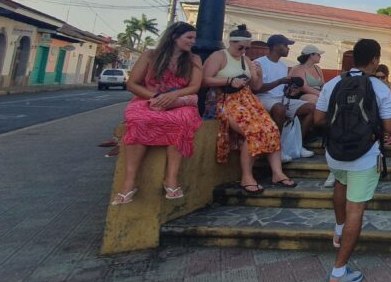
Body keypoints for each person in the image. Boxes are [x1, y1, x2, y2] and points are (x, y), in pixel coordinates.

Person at [314, 38, 391, 282]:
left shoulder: (333, 83)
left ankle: (338, 230)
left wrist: (341, 132)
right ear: (375, 60)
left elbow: (318, 119)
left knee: (340, 182)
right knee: (356, 210)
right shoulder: (379, 88)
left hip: (335, 153)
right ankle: (338, 273)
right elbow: (389, 127)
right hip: (364, 155)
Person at [112, 21, 203, 205]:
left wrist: (173, 95)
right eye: (189, 37)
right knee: (139, 120)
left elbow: (194, 86)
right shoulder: (150, 56)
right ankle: (129, 182)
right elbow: (132, 84)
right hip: (149, 99)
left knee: (182, 121)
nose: (193, 41)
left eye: (194, 38)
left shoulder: (194, 60)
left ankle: (171, 179)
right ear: (174, 37)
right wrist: (156, 97)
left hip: (179, 102)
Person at [201, 25, 296, 193]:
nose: (244, 51)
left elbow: (257, 86)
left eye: (247, 48)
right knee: (253, 130)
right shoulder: (219, 56)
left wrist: (257, 74)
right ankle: (247, 176)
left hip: (247, 100)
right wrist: (228, 81)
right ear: (231, 42)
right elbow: (205, 80)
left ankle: (277, 173)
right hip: (225, 99)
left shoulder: (246, 60)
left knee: (272, 128)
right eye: (241, 47)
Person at [254, 34, 316, 152]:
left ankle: (297, 145)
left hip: (281, 99)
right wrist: (279, 82)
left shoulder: (283, 66)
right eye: (286, 45)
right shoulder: (259, 63)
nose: (288, 48)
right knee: (280, 109)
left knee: (311, 108)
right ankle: (277, 149)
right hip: (263, 98)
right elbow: (257, 88)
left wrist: (290, 90)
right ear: (276, 46)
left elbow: (282, 89)